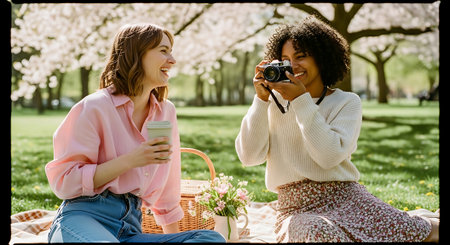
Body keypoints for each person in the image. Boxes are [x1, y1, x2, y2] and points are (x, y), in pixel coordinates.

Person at [235, 16, 438, 242]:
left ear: (321, 58)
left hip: (347, 197)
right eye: (285, 60)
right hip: (296, 209)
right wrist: (260, 101)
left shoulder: (347, 102)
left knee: (422, 232)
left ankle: (424, 219)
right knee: (319, 233)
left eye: (301, 57)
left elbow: (328, 156)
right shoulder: (272, 103)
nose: (293, 66)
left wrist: (301, 100)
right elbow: (249, 157)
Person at [45, 23, 225, 243]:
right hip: (84, 216)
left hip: (130, 227)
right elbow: (64, 182)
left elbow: (167, 193)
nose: (172, 59)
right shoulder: (95, 107)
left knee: (209, 239)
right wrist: (131, 160)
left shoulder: (165, 112)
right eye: (163, 51)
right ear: (137, 54)